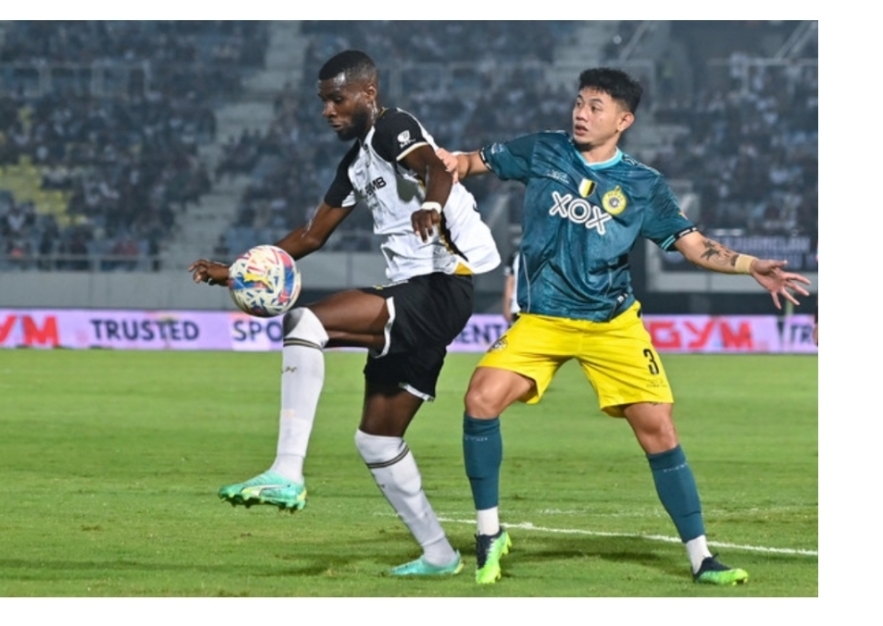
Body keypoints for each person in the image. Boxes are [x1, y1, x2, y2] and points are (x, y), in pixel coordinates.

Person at [438, 67, 811, 586]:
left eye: (595, 106)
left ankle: (702, 558)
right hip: (543, 318)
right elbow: (473, 161)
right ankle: (489, 534)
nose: (581, 113)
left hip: (611, 323)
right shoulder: (543, 150)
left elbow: (690, 243)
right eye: (579, 102)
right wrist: (447, 161)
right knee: (480, 398)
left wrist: (751, 266)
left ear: (623, 119)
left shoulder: (642, 185)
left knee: (658, 429)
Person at [188, 50, 501, 577]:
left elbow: (434, 168)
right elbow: (311, 236)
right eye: (323, 102)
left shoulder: (392, 128)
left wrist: (432, 204)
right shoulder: (356, 163)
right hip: (421, 293)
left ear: (368, 94)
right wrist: (237, 269)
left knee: (304, 322)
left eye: (338, 99)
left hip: (441, 285)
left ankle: (287, 470)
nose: (329, 110)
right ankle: (439, 554)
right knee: (377, 438)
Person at [502, 248, 520, 325]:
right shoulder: (516, 256)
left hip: (540, 310)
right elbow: (510, 283)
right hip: (518, 308)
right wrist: (506, 307)